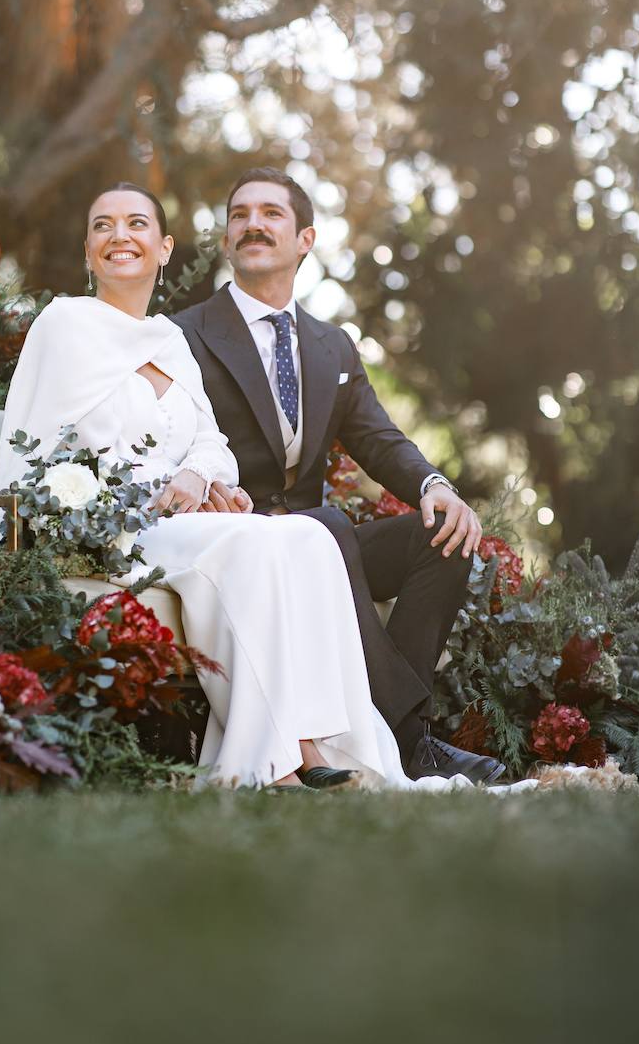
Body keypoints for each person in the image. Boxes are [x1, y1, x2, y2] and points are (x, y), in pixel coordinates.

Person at [0, 182, 505, 793]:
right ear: (86, 248)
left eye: (135, 224)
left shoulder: (179, 341)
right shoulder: (93, 325)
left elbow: (224, 442)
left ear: (164, 247)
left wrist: (199, 476)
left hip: (226, 527)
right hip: (129, 527)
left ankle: (354, 742)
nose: (120, 236)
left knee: (332, 538)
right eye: (103, 226)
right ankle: (286, 759)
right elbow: (40, 442)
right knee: (303, 533)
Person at [172, 167, 504, 784]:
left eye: (271, 213)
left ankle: (397, 730)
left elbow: (378, 439)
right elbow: (169, 435)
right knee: (325, 523)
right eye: (239, 214)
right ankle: (408, 737)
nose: (252, 224)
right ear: (225, 241)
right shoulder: (185, 334)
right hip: (236, 542)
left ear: (305, 239)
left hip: (320, 547)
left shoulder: (333, 347)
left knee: (445, 537)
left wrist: (437, 487)